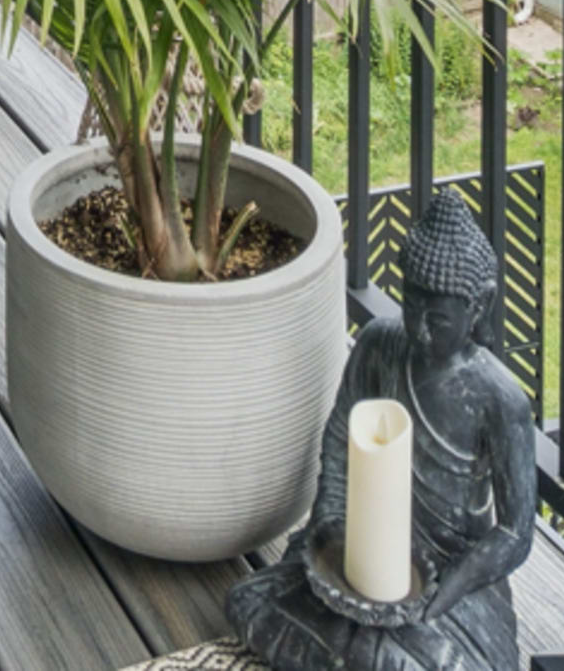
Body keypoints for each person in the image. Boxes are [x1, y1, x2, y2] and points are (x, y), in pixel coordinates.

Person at [227, 190, 536, 671]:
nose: (419, 330)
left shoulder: (500, 400)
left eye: (437, 319)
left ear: (479, 308)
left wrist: (440, 593)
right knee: (249, 602)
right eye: (411, 308)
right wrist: (331, 522)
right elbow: (338, 441)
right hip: (360, 537)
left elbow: (515, 533)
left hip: (450, 569)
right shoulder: (379, 344)